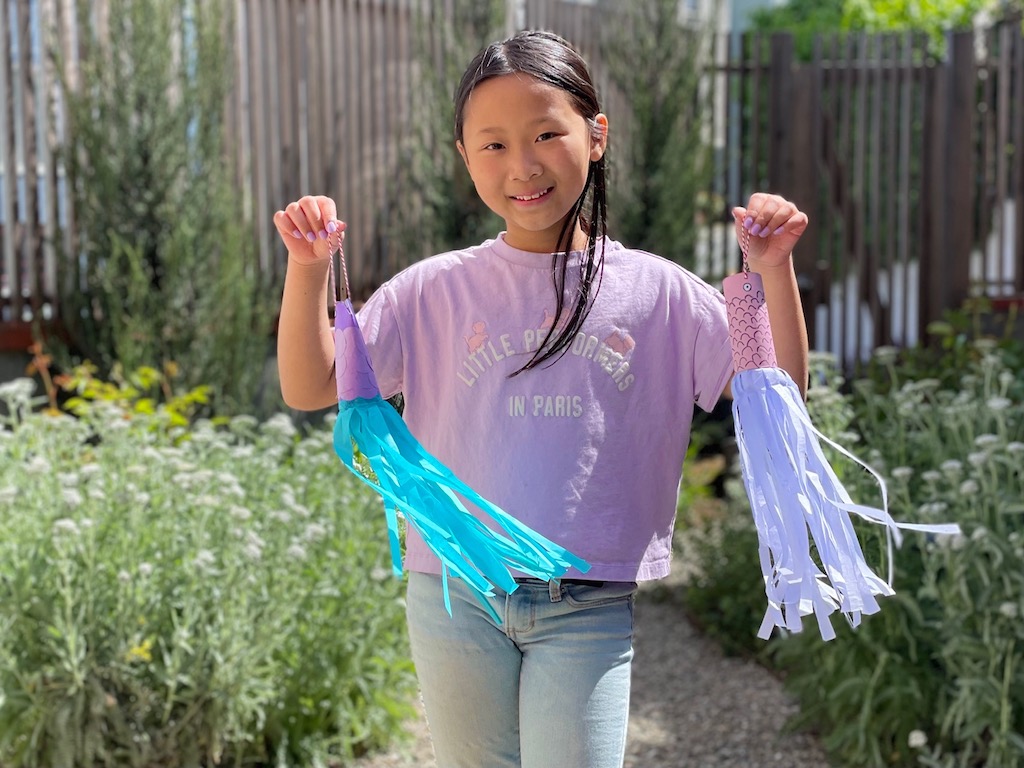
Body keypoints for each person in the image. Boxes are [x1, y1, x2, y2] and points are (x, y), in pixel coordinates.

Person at [274, 29, 808, 768]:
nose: (521, 165)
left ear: (596, 136)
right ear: (463, 158)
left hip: (585, 604)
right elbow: (312, 386)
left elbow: (775, 393)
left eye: (545, 134)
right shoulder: (432, 290)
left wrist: (769, 273)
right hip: (454, 597)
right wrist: (307, 270)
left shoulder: (656, 291)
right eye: (491, 145)